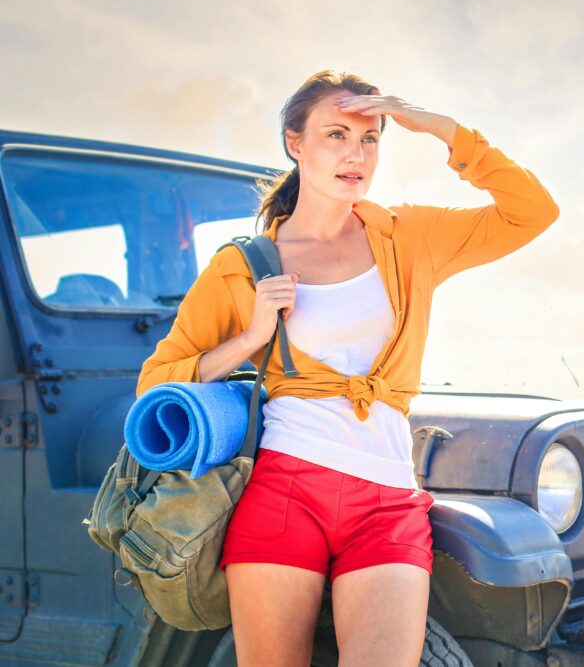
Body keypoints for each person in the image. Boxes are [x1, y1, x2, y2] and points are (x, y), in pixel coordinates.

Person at [135, 70, 559, 666]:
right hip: (284, 493)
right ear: (295, 143)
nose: (355, 154)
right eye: (336, 134)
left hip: (388, 502)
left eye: (371, 138)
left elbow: (533, 212)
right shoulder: (240, 267)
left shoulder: (409, 236)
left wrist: (439, 129)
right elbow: (155, 384)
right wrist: (252, 337)